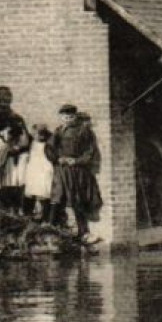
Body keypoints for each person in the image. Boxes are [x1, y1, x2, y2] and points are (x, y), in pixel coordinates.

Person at [49, 103, 103, 245]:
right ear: (61, 117)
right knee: (58, 198)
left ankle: (83, 232)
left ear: (75, 117)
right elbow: (49, 148)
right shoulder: (58, 131)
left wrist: (77, 161)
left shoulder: (83, 131)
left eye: (70, 117)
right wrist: (57, 158)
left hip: (77, 171)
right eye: (65, 117)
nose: (68, 119)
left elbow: (90, 151)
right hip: (62, 170)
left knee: (77, 199)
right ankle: (53, 231)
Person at [0, 86, 31, 209]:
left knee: (10, 180)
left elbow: (24, 138)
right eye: (2, 98)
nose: (4, 101)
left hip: (11, 154)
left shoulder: (15, 118)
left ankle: (8, 206)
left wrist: (16, 147)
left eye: (7, 98)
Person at [24, 124, 55, 221]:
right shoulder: (32, 143)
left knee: (43, 193)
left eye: (39, 134)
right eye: (35, 134)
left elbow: (50, 157)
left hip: (43, 170)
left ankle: (44, 216)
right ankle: (30, 214)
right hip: (33, 170)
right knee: (32, 192)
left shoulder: (48, 145)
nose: (36, 136)